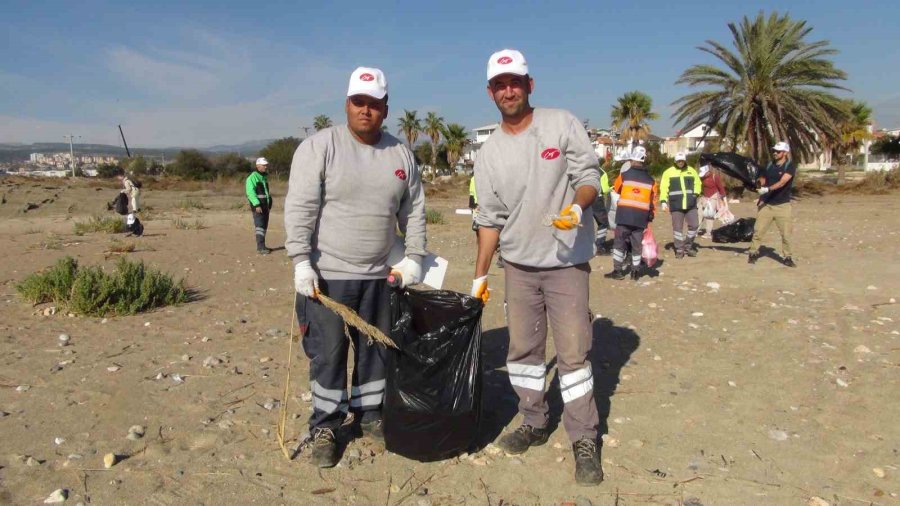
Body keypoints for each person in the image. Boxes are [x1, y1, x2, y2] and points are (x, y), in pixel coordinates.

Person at [470, 48, 603, 486]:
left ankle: (584, 437)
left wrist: (578, 209)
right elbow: (488, 218)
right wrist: (480, 275)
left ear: (530, 84)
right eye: (499, 85)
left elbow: (588, 177)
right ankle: (533, 419)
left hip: (566, 263)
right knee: (523, 354)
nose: (508, 90)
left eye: (515, 81)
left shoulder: (561, 124)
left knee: (573, 353)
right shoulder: (488, 154)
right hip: (519, 268)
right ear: (491, 92)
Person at [284, 66, 426, 468]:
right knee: (328, 353)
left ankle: (369, 415)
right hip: (326, 276)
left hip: (380, 276)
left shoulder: (400, 154)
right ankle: (326, 426)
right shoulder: (319, 147)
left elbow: (413, 211)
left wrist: (414, 257)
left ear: (386, 108)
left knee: (376, 351)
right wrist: (300, 262)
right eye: (358, 102)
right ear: (347, 104)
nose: (366, 111)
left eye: (374, 104)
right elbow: (300, 208)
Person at [604, 146, 658, 280]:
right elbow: (653, 200)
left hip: (624, 216)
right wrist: (651, 215)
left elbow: (617, 190)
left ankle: (617, 271)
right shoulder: (651, 181)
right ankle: (635, 272)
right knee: (637, 245)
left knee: (619, 244)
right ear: (644, 160)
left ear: (631, 159)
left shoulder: (624, 176)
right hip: (641, 218)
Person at [748, 141, 796, 267]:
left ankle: (787, 257)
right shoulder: (769, 165)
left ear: (785, 153)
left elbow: (782, 182)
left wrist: (768, 189)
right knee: (758, 231)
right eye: (774, 151)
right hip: (767, 204)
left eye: (778, 151)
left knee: (786, 234)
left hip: (782, 206)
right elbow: (763, 179)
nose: (775, 153)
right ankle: (753, 253)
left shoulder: (789, 166)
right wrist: (758, 183)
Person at [659, 152, 700, 258]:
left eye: (682, 160)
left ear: (685, 160)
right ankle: (679, 249)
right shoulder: (668, 172)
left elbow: (697, 183)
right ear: (675, 161)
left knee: (695, 225)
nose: (680, 162)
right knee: (677, 228)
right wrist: (663, 201)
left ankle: (688, 245)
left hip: (691, 204)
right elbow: (664, 187)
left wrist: (695, 194)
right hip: (676, 205)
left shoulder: (691, 171)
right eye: (678, 161)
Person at [246, 157, 273, 254]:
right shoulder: (252, 177)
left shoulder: (264, 177)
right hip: (258, 207)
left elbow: (265, 193)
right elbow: (250, 192)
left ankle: (263, 246)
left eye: (266, 165)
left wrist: (269, 203)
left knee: (264, 227)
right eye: (264, 165)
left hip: (265, 206)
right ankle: (260, 247)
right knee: (260, 226)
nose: (266, 167)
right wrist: (257, 204)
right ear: (258, 166)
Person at [698, 164, 726, 237]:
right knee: (699, 213)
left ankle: (708, 233)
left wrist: (724, 200)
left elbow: (721, 188)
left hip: (713, 197)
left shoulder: (715, 177)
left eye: (704, 173)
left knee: (709, 215)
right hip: (704, 197)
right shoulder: (701, 177)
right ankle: (695, 231)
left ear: (708, 171)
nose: (703, 175)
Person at [592, 167, 611, 254]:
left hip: (582, 198)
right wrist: (610, 189)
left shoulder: (582, 169)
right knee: (603, 223)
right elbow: (605, 189)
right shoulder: (601, 172)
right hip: (596, 199)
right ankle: (599, 246)